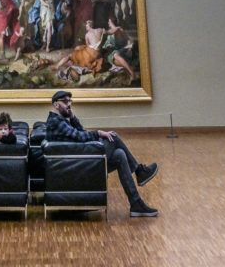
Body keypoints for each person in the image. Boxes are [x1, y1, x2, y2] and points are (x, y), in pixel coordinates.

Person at [45, 90, 159, 218]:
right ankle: (139, 171)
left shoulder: (61, 121)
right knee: (113, 137)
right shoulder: (55, 122)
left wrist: (73, 119)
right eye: (65, 102)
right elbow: (80, 136)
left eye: (70, 101)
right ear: (56, 105)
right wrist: (99, 133)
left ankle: (136, 203)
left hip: (79, 161)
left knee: (120, 154)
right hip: (77, 164)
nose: (69, 104)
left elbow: (82, 133)